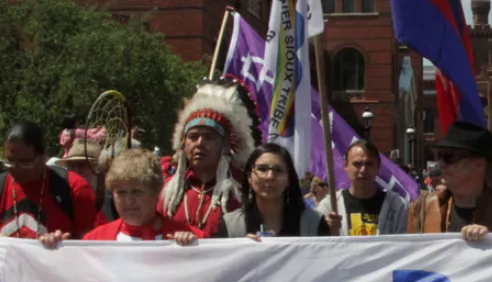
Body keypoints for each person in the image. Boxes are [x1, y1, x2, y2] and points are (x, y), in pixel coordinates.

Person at [159, 78, 259, 237]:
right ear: (184, 144)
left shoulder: (244, 190)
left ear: (225, 144)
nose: (200, 143)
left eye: (209, 137)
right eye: (193, 137)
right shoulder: (166, 189)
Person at [0, 121, 97, 245]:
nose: (16, 169)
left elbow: (96, 246)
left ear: (42, 157)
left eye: (25, 162)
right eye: (9, 161)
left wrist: (65, 247)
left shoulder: (74, 188)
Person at [39, 150, 200, 245]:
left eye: (137, 192)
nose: (128, 201)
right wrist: (53, 250)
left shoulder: (188, 237)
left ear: (156, 191)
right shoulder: (95, 240)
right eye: (120, 192)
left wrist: (194, 252)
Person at [410, 122, 492, 239]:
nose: (441, 164)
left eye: (450, 157)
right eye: (439, 156)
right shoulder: (421, 208)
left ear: (479, 164)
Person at [216, 144, 330, 238]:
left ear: (289, 179)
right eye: (262, 169)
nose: (270, 176)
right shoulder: (230, 226)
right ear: (249, 177)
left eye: (278, 170)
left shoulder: (313, 223)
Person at [318, 140, 409, 236]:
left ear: (378, 166)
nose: (363, 170)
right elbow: (314, 245)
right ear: (345, 165)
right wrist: (327, 230)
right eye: (357, 164)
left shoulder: (397, 206)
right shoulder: (330, 206)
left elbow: (406, 245)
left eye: (369, 164)